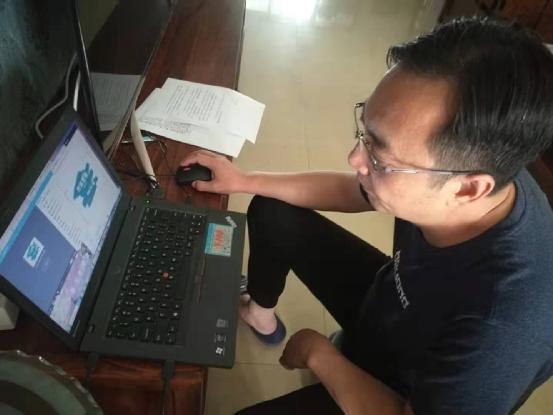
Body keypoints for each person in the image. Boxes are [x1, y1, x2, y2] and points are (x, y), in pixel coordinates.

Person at [181, 16, 553, 415]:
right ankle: (260, 314)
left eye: (379, 156)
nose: (355, 158)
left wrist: (323, 358)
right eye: (365, 134)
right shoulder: (475, 167)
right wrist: (241, 179)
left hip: (409, 388)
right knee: (274, 210)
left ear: (466, 189)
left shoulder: (505, 328)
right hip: (391, 300)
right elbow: (353, 190)